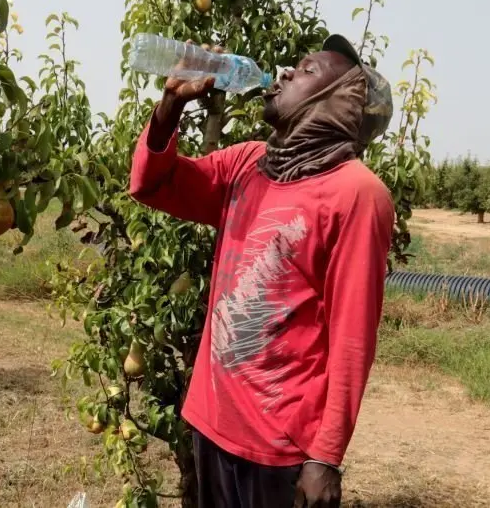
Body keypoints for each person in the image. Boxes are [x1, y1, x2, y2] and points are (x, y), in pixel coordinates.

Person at [128, 34, 396, 508]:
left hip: (279, 449)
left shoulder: (356, 193)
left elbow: (353, 337)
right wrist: (170, 104)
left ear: (337, 102)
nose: (288, 72)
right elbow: (154, 184)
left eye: (308, 70)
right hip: (212, 424)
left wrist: (326, 457)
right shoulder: (248, 164)